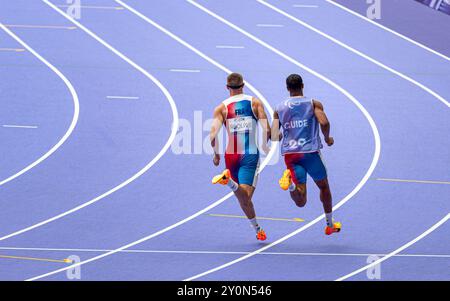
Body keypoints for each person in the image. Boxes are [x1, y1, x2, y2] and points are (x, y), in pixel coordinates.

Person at [273, 74, 341, 235]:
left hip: (291, 155)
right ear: (302, 85)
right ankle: (329, 223)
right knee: (323, 187)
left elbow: (274, 134)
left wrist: (280, 135)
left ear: (287, 88)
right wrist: (327, 138)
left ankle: (290, 185)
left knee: (301, 200)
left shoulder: (279, 108)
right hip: (310, 153)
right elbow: (324, 122)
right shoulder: (313, 104)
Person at [210, 73, 271, 241]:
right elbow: (267, 129)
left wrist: (216, 156)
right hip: (249, 154)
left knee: (243, 198)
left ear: (227, 87)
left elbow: (212, 135)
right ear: (243, 85)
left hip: (231, 156)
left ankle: (257, 229)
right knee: (246, 195)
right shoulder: (254, 102)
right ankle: (228, 181)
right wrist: (266, 144)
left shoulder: (221, 108)